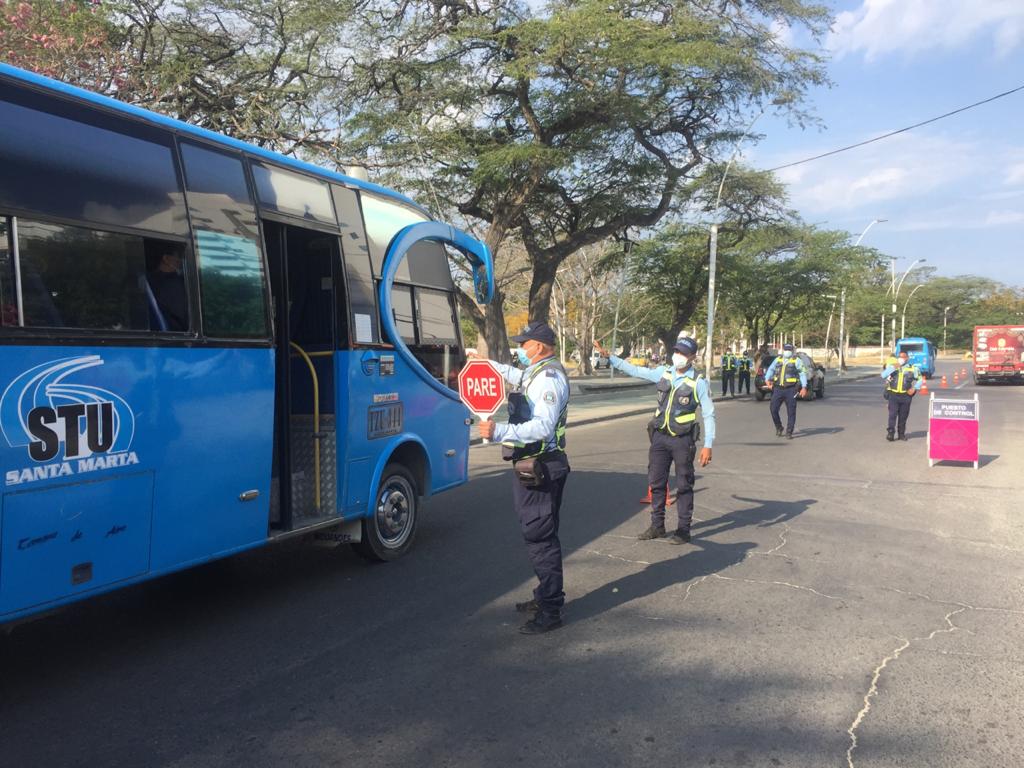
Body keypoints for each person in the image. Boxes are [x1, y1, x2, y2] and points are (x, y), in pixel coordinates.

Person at [477, 322, 570, 635]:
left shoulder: (549, 379)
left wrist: (499, 431)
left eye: (524, 344)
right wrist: (483, 364)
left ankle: (551, 609)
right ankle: (545, 594)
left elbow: (543, 427)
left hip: (542, 467)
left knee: (540, 538)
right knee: (538, 534)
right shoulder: (536, 371)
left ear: (539, 346)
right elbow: (514, 375)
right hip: (533, 465)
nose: (520, 349)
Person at [595, 337, 714, 544]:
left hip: (682, 440)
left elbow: (709, 414)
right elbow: (635, 370)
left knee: (684, 485)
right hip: (659, 437)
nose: (678, 356)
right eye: (676, 351)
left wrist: (708, 445)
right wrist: (611, 358)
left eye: (683, 353)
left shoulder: (698, 382)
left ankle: (683, 530)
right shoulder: (664, 372)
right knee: (656, 482)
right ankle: (657, 526)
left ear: (692, 357)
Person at [763, 343, 808, 439]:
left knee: (791, 412)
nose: (787, 351)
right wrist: (767, 379)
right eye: (786, 349)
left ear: (792, 351)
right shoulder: (778, 359)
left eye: (789, 350)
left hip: (791, 389)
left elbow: (802, 373)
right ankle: (779, 427)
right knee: (773, 409)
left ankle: (789, 432)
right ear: (783, 350)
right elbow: (771, 369)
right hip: (777, 389)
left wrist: (804, 387)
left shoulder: (797, 361)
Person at [881, 350, 918, 441]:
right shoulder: (892, 367)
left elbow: (920, 379)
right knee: (892, 415)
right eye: (900, 357)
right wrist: (895, 366)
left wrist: (914, 388)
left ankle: (901, 434)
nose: (901, 359)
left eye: (903, 357)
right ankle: (890, 433)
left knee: (903, 416)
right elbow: (883, 375)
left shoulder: (912, 368)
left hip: (906, 396)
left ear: (907, 358)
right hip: (893, 395)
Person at [147, 250, 188, 331]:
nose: (181, 260)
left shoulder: (146, 280)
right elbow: (181, 316)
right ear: (166, 258)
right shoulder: (176, 284)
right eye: (179, 256)